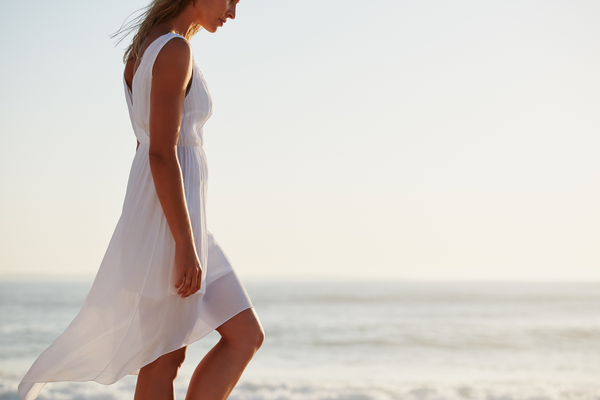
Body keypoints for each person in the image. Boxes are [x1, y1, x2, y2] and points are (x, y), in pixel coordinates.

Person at [18, 0, 264, 399]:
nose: (233, 12)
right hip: (173, 226)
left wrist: (181, 233)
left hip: (180, 218)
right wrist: (181, 243)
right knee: (163, 359)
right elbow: (158, 152)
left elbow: (145, 146)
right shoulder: (173, 50)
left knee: (244, 335)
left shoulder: (149, 49)